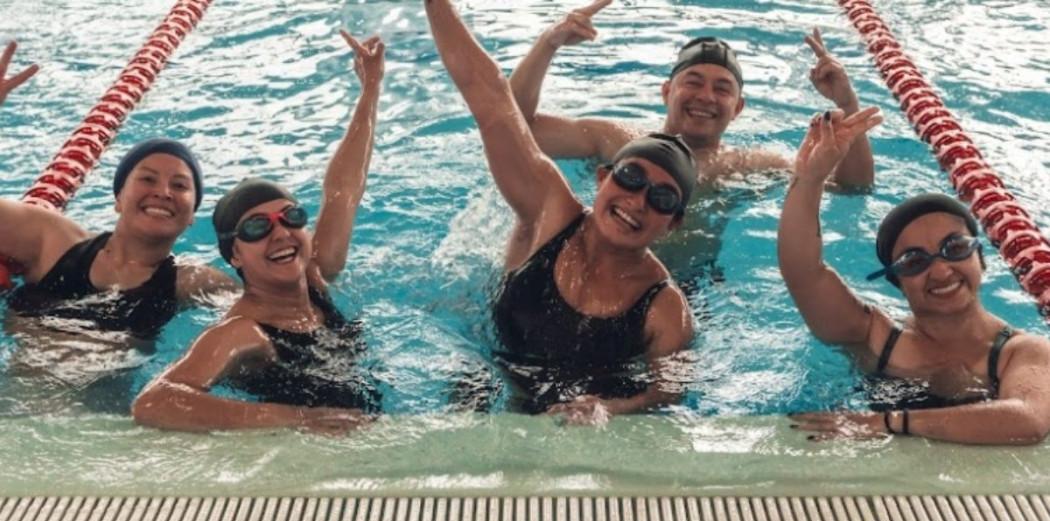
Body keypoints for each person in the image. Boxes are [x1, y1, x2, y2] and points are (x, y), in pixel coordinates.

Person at [426, 0, 694, 425]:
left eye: (662, 199)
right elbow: (492, 102)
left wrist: (612, 408)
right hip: (488, 373)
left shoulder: (665, 309)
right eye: (629, 177)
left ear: (673, 222)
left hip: (574, 419)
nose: (637, 200)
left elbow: (668, 394)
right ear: (603, 177)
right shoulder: (548, 209)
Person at [132, 31, 384, 434]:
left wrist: (370, 90)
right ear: (235, 255)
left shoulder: (315, 276)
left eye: (291, 217)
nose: (281, 233)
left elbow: (344, 191)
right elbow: (154, 403)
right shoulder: (242, 331)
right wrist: (298, 419)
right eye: (256, 228)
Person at [509, 2, 876, 276]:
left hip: (681, 290)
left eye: (722, 89)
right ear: (667, 91)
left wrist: (846, 102)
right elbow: (512, 128)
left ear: (738, 108)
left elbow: (853, 188)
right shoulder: (612, 139)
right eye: (693, 82)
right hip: (586, 270)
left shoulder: (752, 165)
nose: (706, 97)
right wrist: (548, 43)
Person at [780, 108, 1050, 445]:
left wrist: (885, 422)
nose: (939, 270)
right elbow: (803, 272)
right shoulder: (875, 337)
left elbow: (1027, 420)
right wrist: (810, 180)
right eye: (914, 261)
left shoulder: (1021, 352)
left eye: (955, 247)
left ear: (980, 257)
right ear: (898, 281)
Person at [0, 41, 236, 371]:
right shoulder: (52, 240)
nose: (163, 192)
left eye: (180, 185)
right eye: (148, 179)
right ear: (118, 199)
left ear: (191, 216)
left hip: (104, 421)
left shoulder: (192, 282)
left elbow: (277, 309)